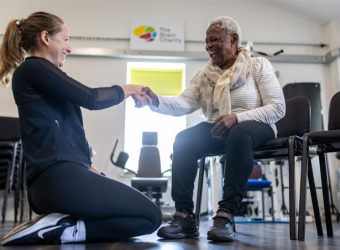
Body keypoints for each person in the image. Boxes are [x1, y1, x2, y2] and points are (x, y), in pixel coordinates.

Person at [0, 11, 162, 246]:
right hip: (57, 179)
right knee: (151, 215)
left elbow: (70, 132)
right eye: (65, 39)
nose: (69, 47)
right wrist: (130, 88)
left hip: (60, 178)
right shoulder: (33, 69)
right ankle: (63, 231)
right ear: (45, 37)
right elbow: (91, 98)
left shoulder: (44, 75)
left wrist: (92, 168)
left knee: (147, 217)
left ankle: (63, 224)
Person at [139, 16, 285, 242]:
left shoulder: (258, 66)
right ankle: (184, 215)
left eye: (214, 40)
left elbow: (277, 108)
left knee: (239, 132)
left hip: (257, 126)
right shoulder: (204, 76)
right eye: (206, 42)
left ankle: (226, 214)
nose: (208, 46)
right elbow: (183, 103)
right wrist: (154, 100)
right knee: (184, 139)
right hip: (220, 128)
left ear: (233, 39)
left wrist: (237, 118)